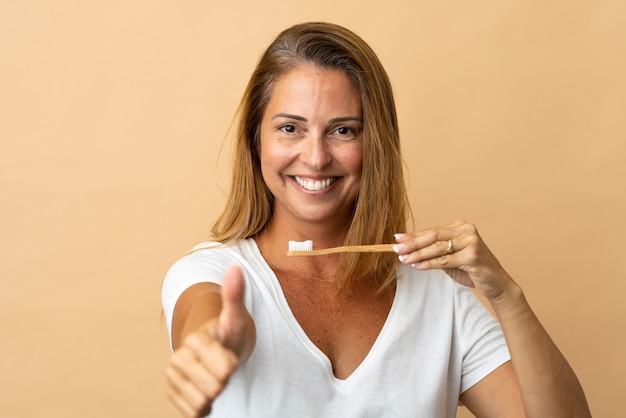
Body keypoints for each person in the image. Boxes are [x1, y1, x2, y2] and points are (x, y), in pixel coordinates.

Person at [162, 22, 591, 417]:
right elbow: (204, 317)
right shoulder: (210, 274)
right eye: (290, 129)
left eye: (343, 130)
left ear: (376, 145)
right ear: (256, 140)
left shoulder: (441, 297)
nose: (315, 157)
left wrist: (507, 296)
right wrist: (214, 343)